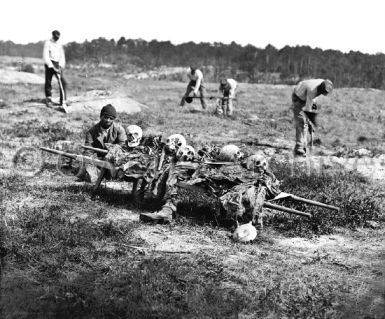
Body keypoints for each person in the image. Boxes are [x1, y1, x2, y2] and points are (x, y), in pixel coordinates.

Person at [83, 104, 127, 182]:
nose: (108, 120)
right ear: (101, 116)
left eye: (111, 118)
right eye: (106, 117)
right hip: (99, 162)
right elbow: (88, 151)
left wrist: (112, 153)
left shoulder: (119, 130)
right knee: (92, 178)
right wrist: (89, 163)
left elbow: (123, 146)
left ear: (114, 119)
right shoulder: (92, 132)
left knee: (117, 177)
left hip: (115, 161)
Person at [291, 79, 333, 156]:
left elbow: (313, 101)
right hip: (298, 97)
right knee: (302, 122)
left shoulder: (323, 83)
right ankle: (299, 147)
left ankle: (305, 145)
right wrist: (310, 121)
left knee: (307, 124)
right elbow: (308, 110)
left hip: (307, 97)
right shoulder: (312, 90)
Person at [43, 30, 68, 110]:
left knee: (63, 82)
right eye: (56, 37)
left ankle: (63, 100)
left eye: (58, 37)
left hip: (58, 64)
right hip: (49, 64)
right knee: (48, 81)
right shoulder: (48, 43)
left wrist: (60, 66)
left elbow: (62, 56)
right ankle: (49, 99)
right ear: (53, 36)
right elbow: (46, 56)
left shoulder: (60, 44)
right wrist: (52, 67)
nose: (57, 38)